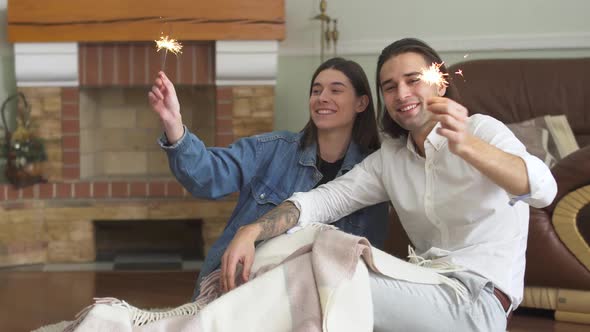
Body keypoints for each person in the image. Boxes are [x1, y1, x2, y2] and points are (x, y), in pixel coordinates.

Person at [220, 38, 557, 331]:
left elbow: (544, 190)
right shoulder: (391, 159)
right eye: (390, 86)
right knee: (303, 260)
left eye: (413, 80)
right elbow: (323, 200)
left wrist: (468, 147)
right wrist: (251, 231)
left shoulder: (482, 130)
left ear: (440, 83)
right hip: (422, 287)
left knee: (321, 279)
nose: (402, 94)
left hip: (475, 303)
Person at [148, 58, 390, 300]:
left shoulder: (373, 174)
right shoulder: (271, 150)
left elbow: (366, 260)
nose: (322, 97)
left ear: (361, 102)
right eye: (316, 90)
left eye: (335, 90)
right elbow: (206, 177)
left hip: (318, 300)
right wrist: (174, 124)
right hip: (243, 289)